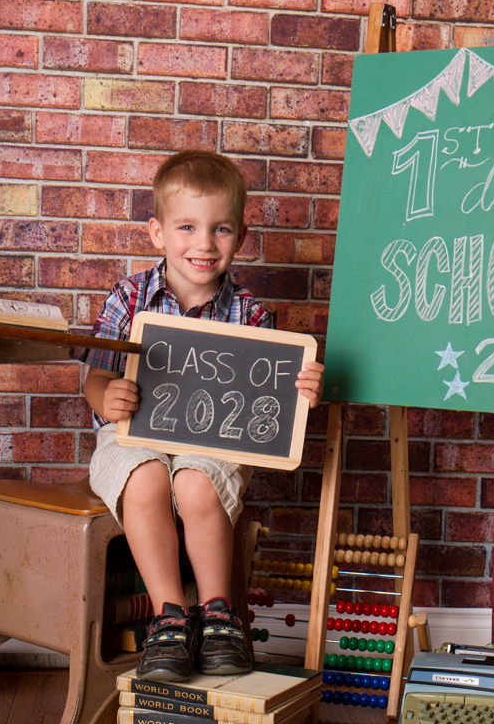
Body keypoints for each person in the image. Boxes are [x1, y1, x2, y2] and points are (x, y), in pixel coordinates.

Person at [81, 150, 324, 683]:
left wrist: (303, 389)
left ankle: (218, 615)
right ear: (157, 233)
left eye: (220, 229)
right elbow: (95, 375)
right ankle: (170, 618)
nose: (203, 244)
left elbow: (271, 398)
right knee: (144, 478)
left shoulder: (250, 313)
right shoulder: (130, 297)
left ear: (240, 236)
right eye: (187, 227)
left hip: (212, 443)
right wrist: (106, 397)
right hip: (133, 437)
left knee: (195, 483)